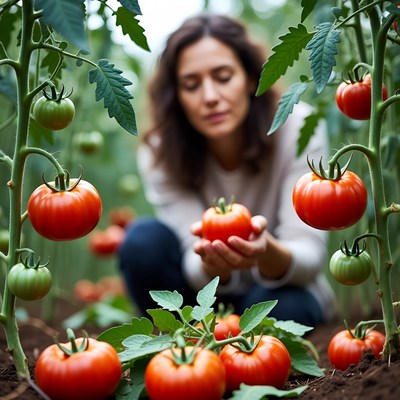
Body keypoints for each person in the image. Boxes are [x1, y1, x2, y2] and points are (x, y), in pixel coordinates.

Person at [119, 13, 336, 326]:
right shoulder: (159, 152)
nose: (210, 97)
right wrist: (212, 261)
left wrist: (265, 251)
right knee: (142, 242)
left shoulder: (297, 127)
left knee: (282, 310)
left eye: (223, 78)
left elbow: (308, 257)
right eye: (191, 85)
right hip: (203, 299)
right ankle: (193, 343)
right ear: (177, 97)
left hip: (280, 288)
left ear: (250, 78)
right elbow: (191, 265)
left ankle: (215, 343)